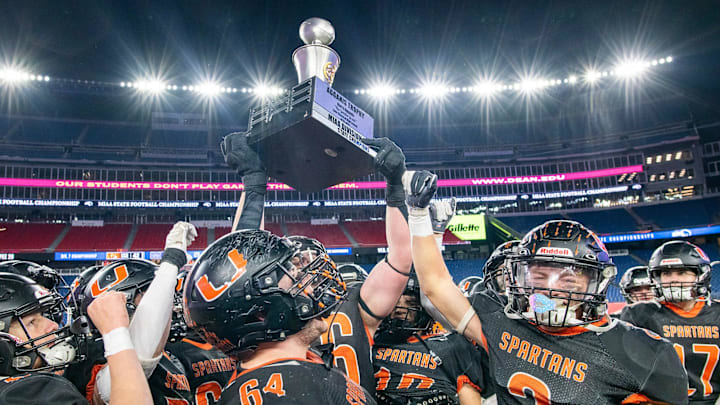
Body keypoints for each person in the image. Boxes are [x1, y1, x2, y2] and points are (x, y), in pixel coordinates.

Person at [404, 170, 689, 404]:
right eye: (538, 277)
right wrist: (417, 215)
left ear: (597, 283)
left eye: (567, 279)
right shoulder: (500, 321)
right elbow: (435, 285)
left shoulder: (643, 353)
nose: (550, 290)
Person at [222, 133, 413, 395]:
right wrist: (254, 186)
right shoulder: (268, 316)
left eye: (308, 261)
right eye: (297, 263)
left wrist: (396, 188)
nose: (308, 269)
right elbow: (242, 266)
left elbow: (401, 257)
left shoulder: (354, 303)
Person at [183, 229, 376, 404]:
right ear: (262, 314)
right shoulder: (291, 391)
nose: (309, 288)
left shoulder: (263, 380)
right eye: (295, 282)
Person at [621, 240, 720, 404]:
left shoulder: (717, 314)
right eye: (666, 273)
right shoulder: (639, 314)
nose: (673, 279)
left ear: (700, 275)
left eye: (681, 272)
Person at [374, 274, 493, 405]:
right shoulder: (370, 346)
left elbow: (469, 399)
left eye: (411, 303)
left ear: (426, 309)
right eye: (394, 302)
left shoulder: (452, 345)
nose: (400, 309)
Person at [0, 272, 89, 404]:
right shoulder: (32, 392)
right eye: (31, 322)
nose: (53, 325)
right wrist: (116, 337)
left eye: (43, 315)